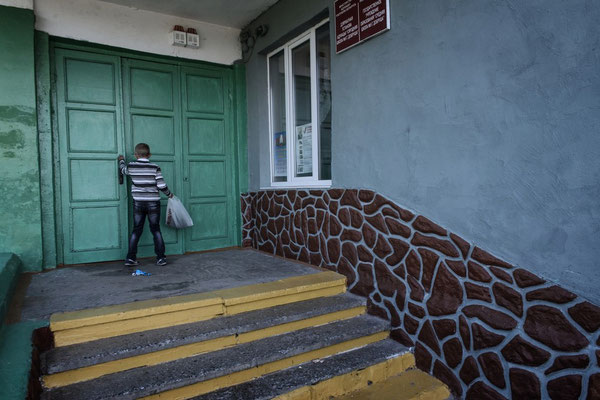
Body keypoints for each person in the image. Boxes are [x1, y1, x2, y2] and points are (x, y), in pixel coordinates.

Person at [118, 143, 173, 267]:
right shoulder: (155, 167)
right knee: (155, 229)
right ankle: (161, 258)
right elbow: (161, 185)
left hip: (138, 202)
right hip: (153, 203)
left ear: (136, 155)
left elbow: (123, 170)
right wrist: (169, 194)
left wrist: (121, 160)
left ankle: (130, 258)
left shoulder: (132, 166)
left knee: (136, 230)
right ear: (149, 155)